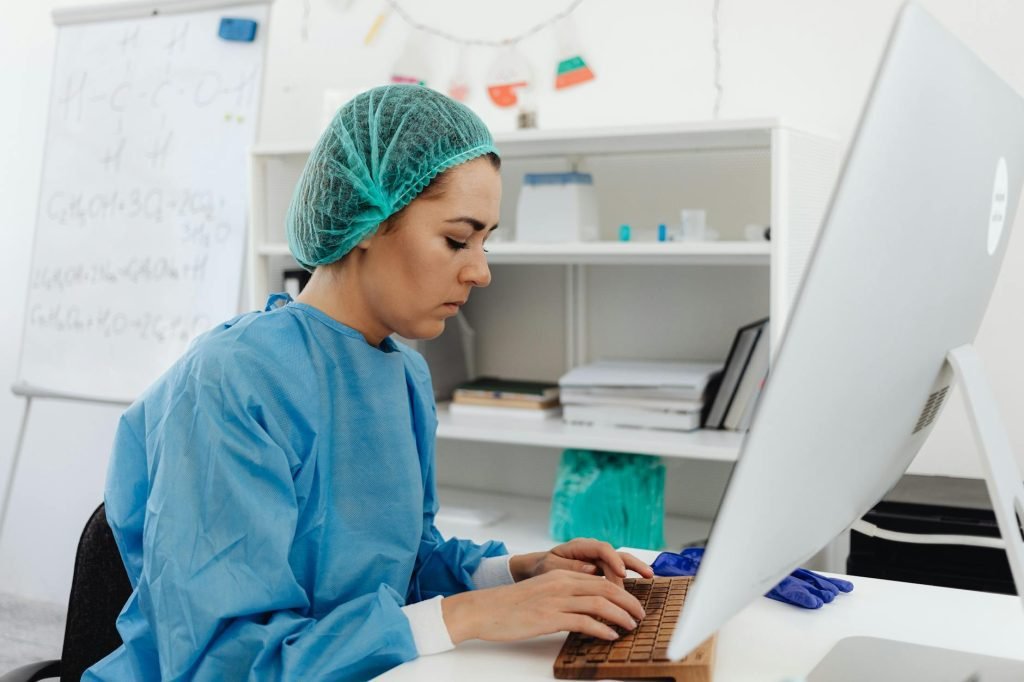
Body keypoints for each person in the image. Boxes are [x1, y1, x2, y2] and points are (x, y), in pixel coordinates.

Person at [84, 84, 653, 681]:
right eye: (458, 239)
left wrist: (517, 574)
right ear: (363, 220)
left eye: (486, 241)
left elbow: (401, 564)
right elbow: (226, 660)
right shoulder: (231, 381)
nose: (481, 271)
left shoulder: (402, 372)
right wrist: (471, 615)